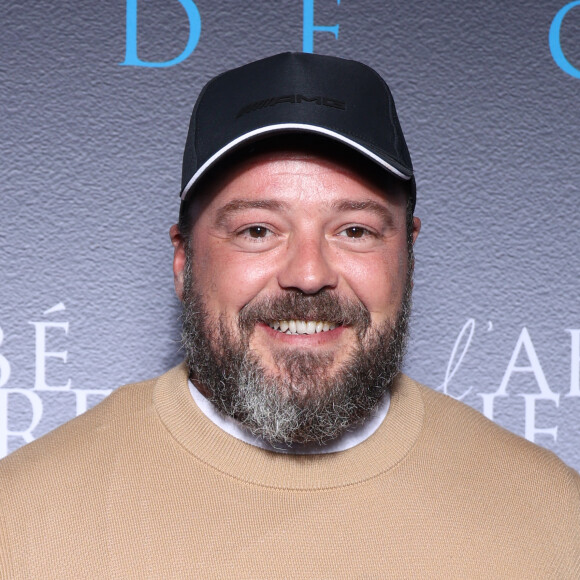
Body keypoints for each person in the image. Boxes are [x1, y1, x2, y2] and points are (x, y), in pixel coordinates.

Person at [0, 53, 578, 578]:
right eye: (257, 230)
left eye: (354, 230)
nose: (307, 273)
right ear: (183, 259)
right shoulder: (22, 517)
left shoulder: (553, 516)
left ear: (407, 252)